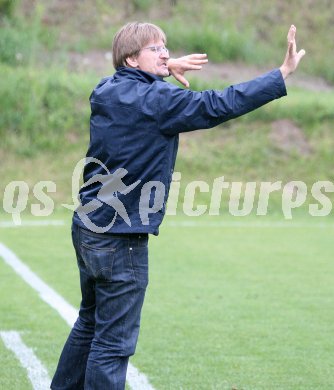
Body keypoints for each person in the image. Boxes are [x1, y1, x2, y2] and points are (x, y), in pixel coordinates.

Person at [51, 21, 305, 390]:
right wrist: (281, 74)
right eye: (155, 49)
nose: (166, 53)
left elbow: (133, 86)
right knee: (112, 344)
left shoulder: (105, 89)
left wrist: (162, 68)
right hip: (123, 238)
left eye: (165, 47)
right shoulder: (160, 101)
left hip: (88, 229)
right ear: (132, 58)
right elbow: (220, 103)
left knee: (89, 323)